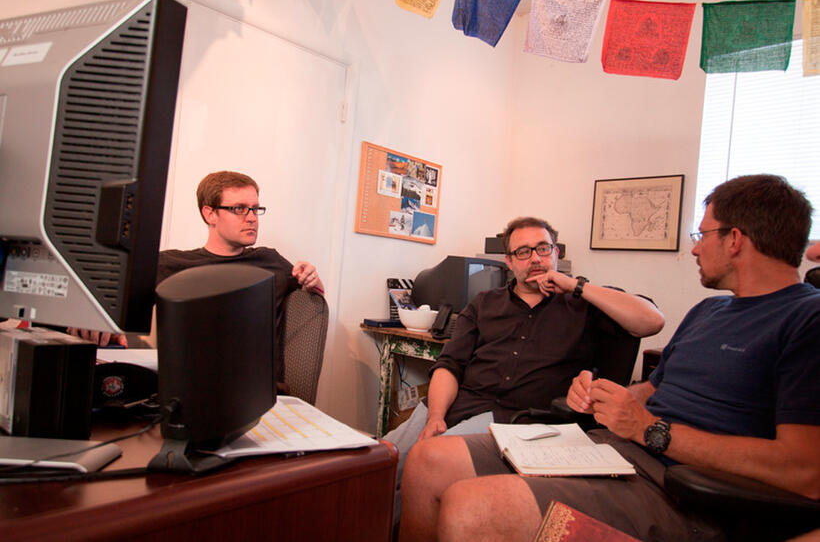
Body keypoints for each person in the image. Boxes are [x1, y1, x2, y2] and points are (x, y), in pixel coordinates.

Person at [398, 174, 820, 542]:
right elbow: (652, 391)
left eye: (702, 235)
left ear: (735, 240)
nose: (694, 250)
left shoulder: (806, 318)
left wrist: (651, 431)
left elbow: (805, 471)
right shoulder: (709, 311)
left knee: (467, 506)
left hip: (678, 485)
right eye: (523, 253)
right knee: (425, 461)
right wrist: (603, 395)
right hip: (615, 446)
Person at [384, 216, 664, 519]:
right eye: (523, 252)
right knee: (379, 460)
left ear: (556, 253)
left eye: (543, 249)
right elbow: (450, 364)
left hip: (516, 419)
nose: (535, 258)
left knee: (423, 467)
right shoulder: (484, 303)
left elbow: (652, 321)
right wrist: (436, 416)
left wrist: (575, 286)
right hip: (452, 402)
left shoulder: (583, 303)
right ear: (509, 261)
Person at [69, 171, 324, 383]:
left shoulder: (270, 261)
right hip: (185, 387)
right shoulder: (172, 264)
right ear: (209, 214)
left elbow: (314, 297)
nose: (251, 218)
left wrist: (312, 278)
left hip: (258, 391)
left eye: (256, 209)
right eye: (239, 209)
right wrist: (96, 318)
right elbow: (111, 295)